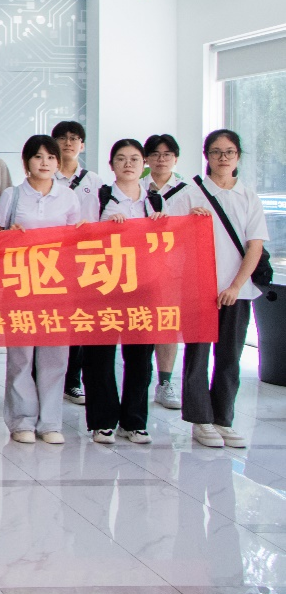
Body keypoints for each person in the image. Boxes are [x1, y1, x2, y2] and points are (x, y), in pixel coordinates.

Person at [83, 138, 175, 445]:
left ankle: (134, 421)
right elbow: (80, 236)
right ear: (111, 165)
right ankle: (102, 421)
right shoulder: (100, 198)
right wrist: (105, 228)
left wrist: (162, 226)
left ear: (143, 164)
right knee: (100, 355)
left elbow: (168, 244)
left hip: (144, 287)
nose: (128, 164)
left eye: (134, 159)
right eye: (121, 159)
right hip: (104, 286)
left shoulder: (155, 202)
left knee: (140, 356)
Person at [181, 129, 267, 449]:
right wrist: (188, 221)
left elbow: (255, 246)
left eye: (229, 152)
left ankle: (222, 419)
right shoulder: (191, 193)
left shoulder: (248, 196)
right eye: (216, 152)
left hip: (237, 292)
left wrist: (235, 286)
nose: (223, 158)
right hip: (198, 290)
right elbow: (167, 235)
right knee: (198, 356)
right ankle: (200, 420)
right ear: (207, 156)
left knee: (230, 357)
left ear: (238, 156)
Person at [0, 135, 82, 444]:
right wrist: (8, 234)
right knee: (21, 356)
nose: (44, 163)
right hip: (20, 285)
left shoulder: (68, 197)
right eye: (38, 156)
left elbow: (76, 242)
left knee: (55, 357)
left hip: (57, 286)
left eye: (50, 157)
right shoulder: (12, 196)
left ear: (58, 162)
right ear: (26, 162)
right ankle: (22, 420)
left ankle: (50, 422)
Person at [50, 120, 103, 406]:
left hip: (86, 260)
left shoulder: (95, 182)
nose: (68, 143)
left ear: (82, 145)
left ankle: (72, 380)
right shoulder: (46, 176)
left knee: (80, 322)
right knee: (53, 320)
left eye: (74, 138)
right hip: (53, 261)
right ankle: (48, 379)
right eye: (62, 138)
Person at [143, 133, 188, 410]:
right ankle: (139, 380)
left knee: (167, 324)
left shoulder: (189, 191)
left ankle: (165, 382)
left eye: (167, 154)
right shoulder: (135, 188)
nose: (161, 159)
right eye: (156, 154)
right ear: (146, 159)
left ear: (176, 158)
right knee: (140, 324)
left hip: (173, 269)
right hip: (139, 269)